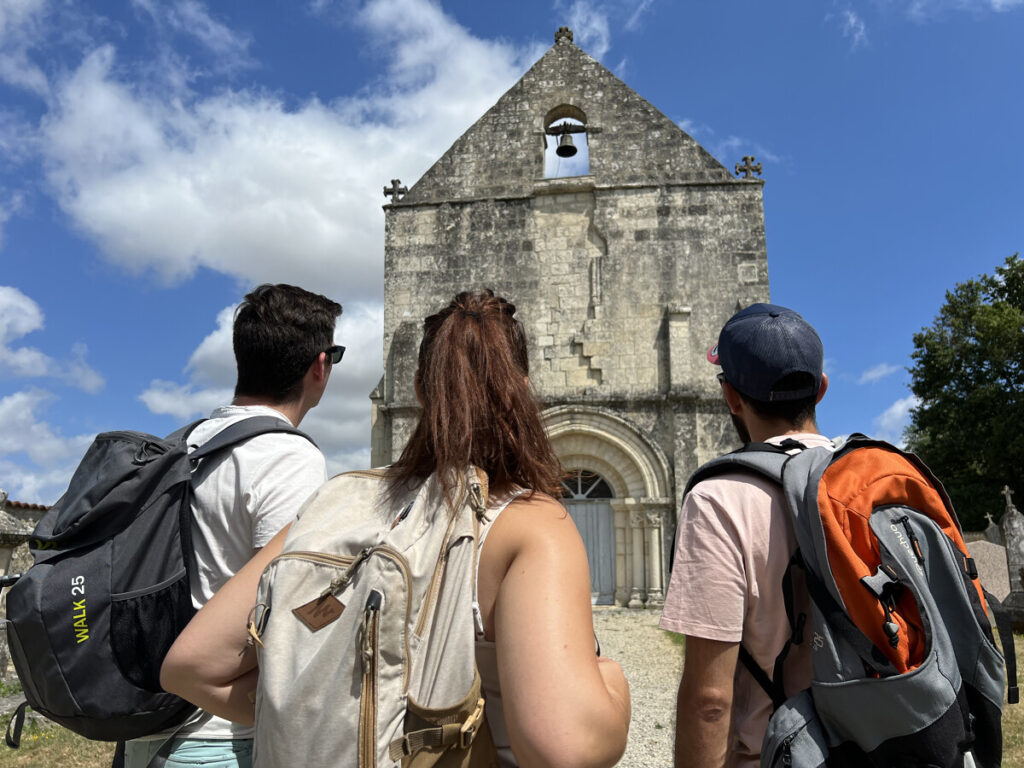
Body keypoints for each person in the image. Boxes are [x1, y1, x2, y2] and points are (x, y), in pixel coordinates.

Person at [161, 288, 631, 767]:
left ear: (418, 388)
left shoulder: (336, 504)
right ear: (524, 388)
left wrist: (328, 714)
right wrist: (612, 680)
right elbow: (564, 749)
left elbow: (193, 668)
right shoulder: (533, 523)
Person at [125, 283, 343, 768]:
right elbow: (289, 610)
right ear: (320, 366)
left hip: (148, 731)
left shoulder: (184, 445)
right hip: (223, 740)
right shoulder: (289, 458)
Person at [659, 303, 831, 768]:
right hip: (898, 745)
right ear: (821, 389)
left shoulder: (721, 499)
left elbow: (709, 700)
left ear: (731, 397)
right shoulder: (884, 480)